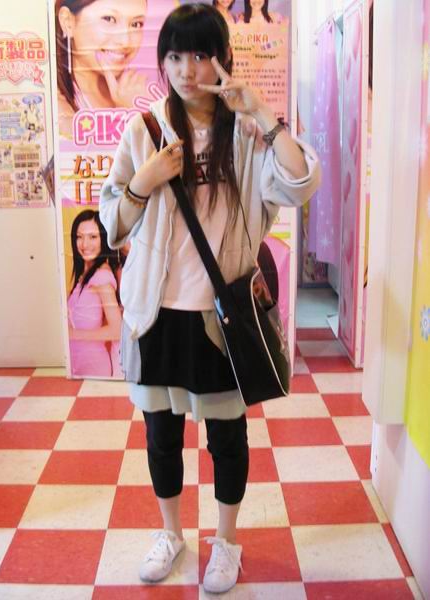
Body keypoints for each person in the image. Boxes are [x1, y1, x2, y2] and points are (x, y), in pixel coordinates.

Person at [99, 3, 320, 593]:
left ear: (222, 59)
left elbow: (300, 183)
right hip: (155, 315)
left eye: (200, 55)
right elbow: (111, 223)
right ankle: (171, 533)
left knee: (225, 438)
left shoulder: (246, 133)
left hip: (220, 319)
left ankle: (225, 542)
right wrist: (142, 182)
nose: (186, 70)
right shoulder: (145, 131)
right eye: (174, 56)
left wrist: (263, 115)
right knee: (161, 435)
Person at [55, 0, 148, 116]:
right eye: (109, 19)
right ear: (68, 22)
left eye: (136, 24)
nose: (125, 41)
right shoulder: (58, 108)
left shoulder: (135, 92)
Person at [68, 209, 122, 377]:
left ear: (103, 240)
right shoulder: (84, 275)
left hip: (92, 364)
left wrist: (74, 334)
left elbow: (117, 330)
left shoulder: (102, 276)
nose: (85, 244)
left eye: (93, 237)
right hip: (78, 362)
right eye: (79, 237)